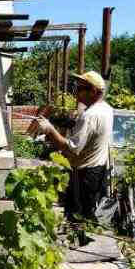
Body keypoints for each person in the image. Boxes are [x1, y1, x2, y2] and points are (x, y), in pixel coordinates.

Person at [37, 71, 113, 220]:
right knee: (89, 211)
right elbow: (94, 133)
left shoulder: (90, 115)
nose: (76, 93)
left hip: (85, 174)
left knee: (78, 215)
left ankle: (80, 239)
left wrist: (49, 130)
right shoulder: (106, 109)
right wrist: (74, 124)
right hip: (99, 169)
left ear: (93, 91)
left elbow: (72, 149)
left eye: (80, 89)